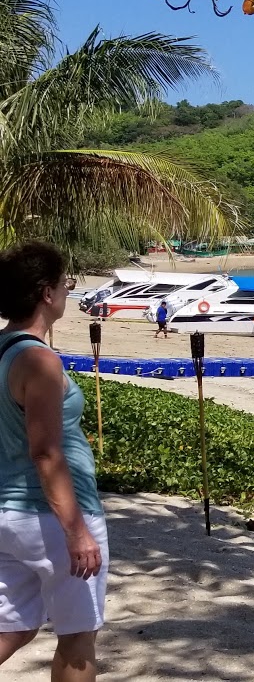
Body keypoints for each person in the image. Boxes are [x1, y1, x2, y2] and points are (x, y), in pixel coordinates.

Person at [0, 242, 107, 681]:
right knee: (79, 636)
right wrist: (76, 530)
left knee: (14, 626)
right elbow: (45, 451)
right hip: (52, 516)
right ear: (46, 293)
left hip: (9, 513)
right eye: (67, 283)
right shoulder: (38, 360)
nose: (68, 290)